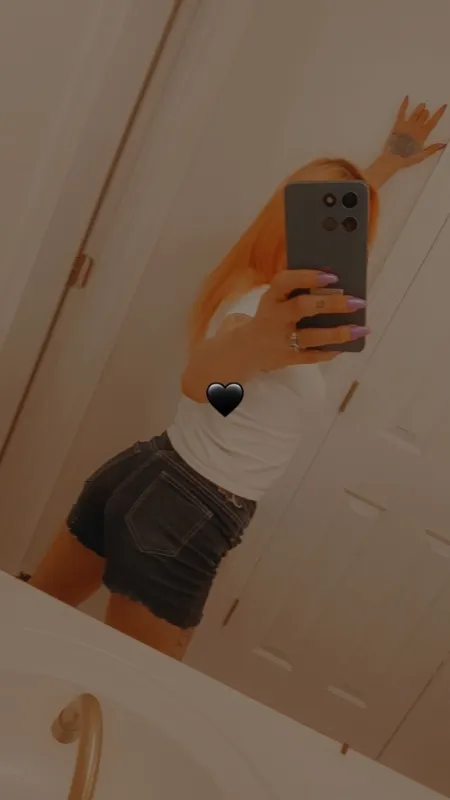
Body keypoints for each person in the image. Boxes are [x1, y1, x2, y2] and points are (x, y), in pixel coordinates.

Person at [21, 97, 446, 660]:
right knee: (143, 686)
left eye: (348, 223)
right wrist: (254, 346)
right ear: (290, 224)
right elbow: (199, 380)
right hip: (186, 509)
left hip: (147, 470)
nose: (345, 234)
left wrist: (390, 160)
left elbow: (221, 395)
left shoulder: (248, 279)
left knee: (32, 617)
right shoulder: (260, 310)